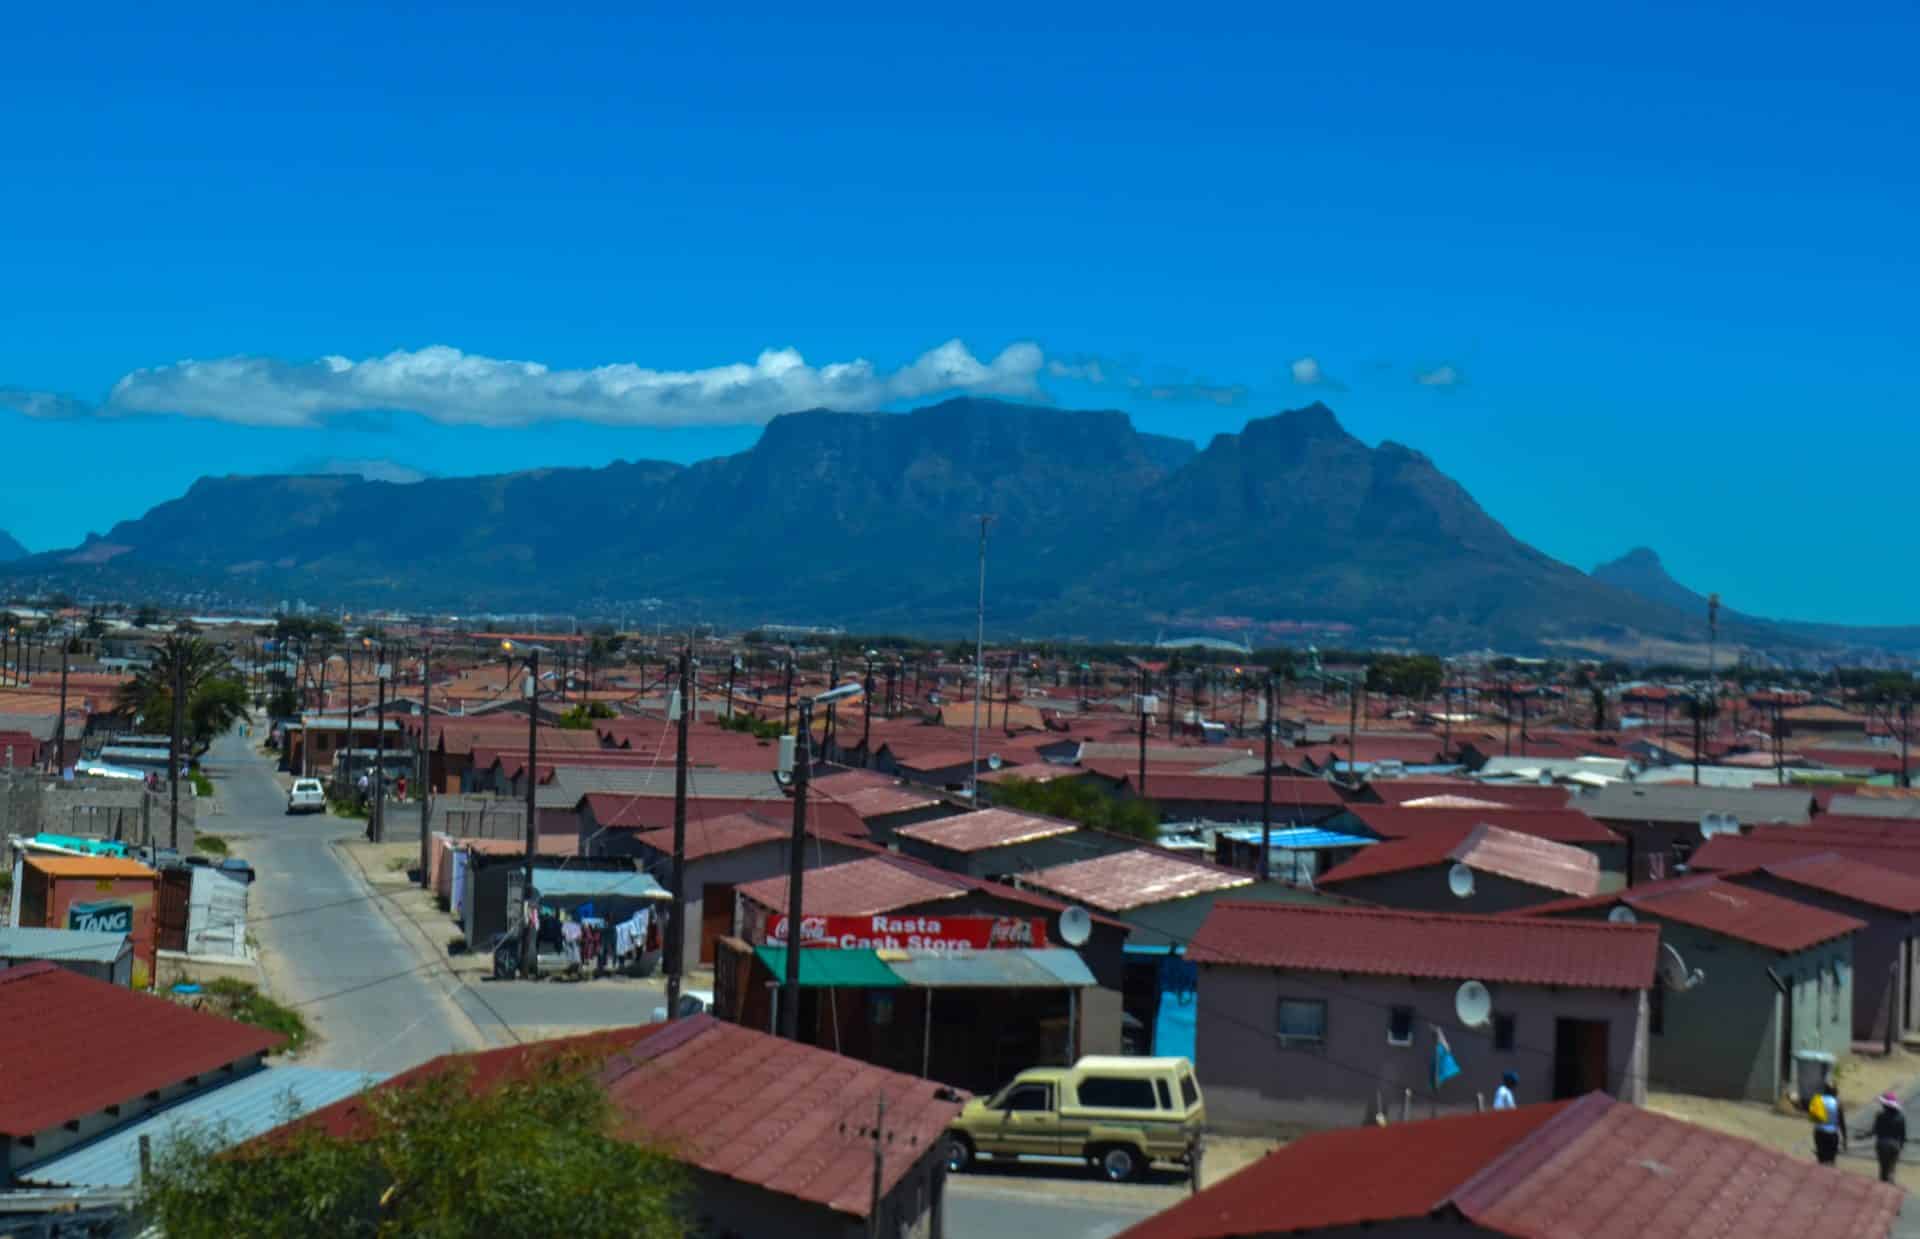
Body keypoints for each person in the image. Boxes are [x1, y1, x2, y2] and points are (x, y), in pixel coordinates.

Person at [1810, 1075, 1847, 1166]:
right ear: (1834, 1091)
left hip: (1819, 1133)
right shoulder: (1838, 1104)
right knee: (1831, 1160)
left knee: (1821, 1160)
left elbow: (1813, 1117)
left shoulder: (1817, 1100)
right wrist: (1845, 1139)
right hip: (1832, 1134)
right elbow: (1842, 1123)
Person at [1874, 1092, 1906, 1183]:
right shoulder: (1901, 1117)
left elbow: (1875, 1130)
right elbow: (1903, 1135)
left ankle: (1883, 1186)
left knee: (1883, 1169)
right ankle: (1891, 1183)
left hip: (1882, 1144)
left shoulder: (1880, 1115)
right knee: (1892, 1169)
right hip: (1895, 1145)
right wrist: (1901, 1146)